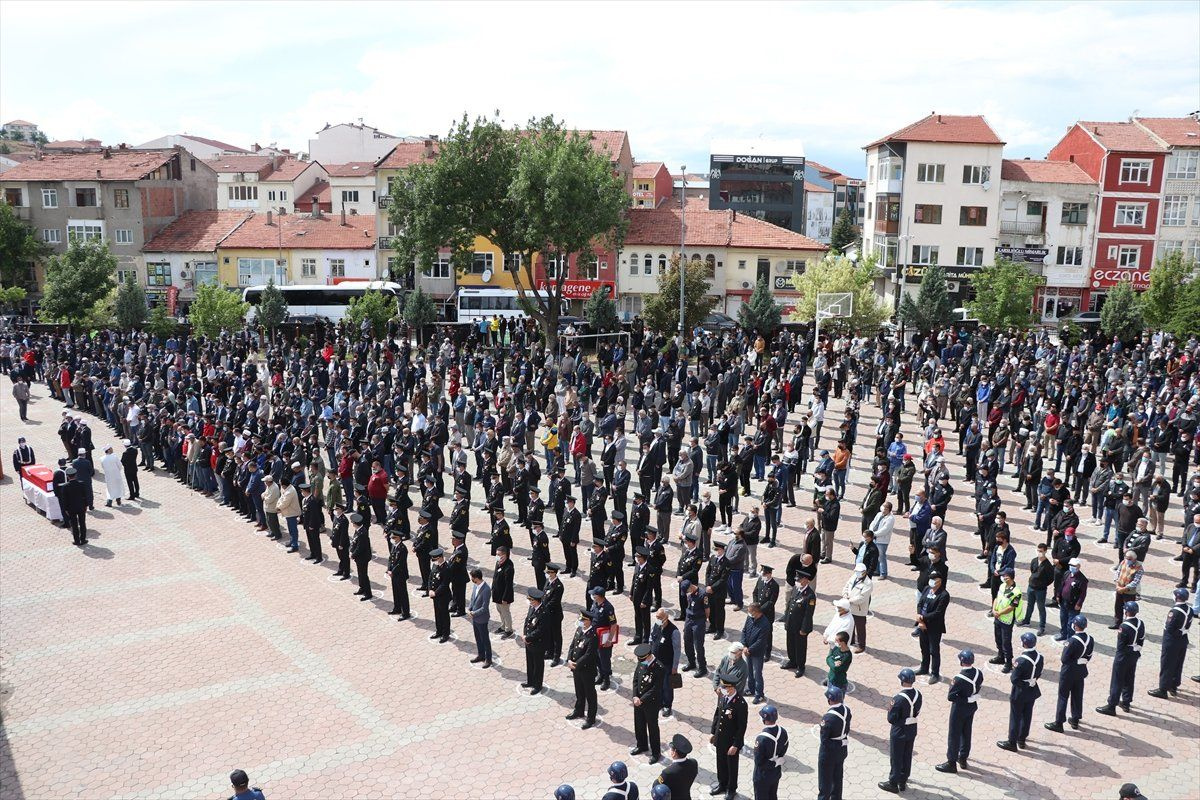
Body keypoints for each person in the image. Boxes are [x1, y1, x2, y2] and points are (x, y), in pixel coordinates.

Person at [936, 649, 983, 773]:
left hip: (959, 709)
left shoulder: (958, 679)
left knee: (954, 735)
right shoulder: (979, 673)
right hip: (971, 707)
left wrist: (966, 699)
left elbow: (951, 697)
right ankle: (963, 758)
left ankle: (951, 762)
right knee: (966, 732)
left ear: (961, 662)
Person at [1098, 600, 1146, 716]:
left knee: (1117, 680)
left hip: (1123, 656)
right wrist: (1135, 649)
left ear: (1126, 612)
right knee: (1129, 679)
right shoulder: (1141, 623)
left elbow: (1120, 646)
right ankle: (1126, 702)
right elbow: (1141, 640)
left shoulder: (1124, 626)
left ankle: (1111, 705)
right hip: (1134, 655)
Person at [1045, 614, 1093, 733]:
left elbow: (1064, 659)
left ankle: (1059, 722)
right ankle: (1075, 719)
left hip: (1069, 672)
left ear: (1075, 626)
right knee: (1077, 694)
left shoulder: (1071, 641)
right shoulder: (1090, 639)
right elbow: (1089, 655)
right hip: (1081, 670)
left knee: (1063, 696)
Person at [997, 631, 1043, 751]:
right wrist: (1031, 681)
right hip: (1032, 689)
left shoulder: (1021, 660)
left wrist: (1025, 683)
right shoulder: (1040, 657)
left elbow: (1014, 679)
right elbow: (1039, 672)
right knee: (1027, 715)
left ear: (1024, 644)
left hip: (1020, 692)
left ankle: (1012, 742)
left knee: (1015, 716)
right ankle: (1022, 739)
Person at [878, 668, 922, 794]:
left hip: (899, 730)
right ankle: (903, 780)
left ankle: (893, 783)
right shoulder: (918, 694)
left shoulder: (898, 698)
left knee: (896, 757)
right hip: (912, 729)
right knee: (907, 755)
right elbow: (917, 711)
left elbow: (891, 718)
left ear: (902, 681)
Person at [1149, 587, 1195, 699]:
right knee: (1178, 663)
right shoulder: (1190, 609)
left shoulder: (1174, 611)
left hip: (1172, 641)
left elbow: (1170, 628)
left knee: (1167, 664)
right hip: (1183, 639)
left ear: (1177, 597)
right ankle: (1173, 685)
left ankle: (1163, 689)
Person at [709, 672, 748, 800]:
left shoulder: (740, 703)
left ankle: (731, 789)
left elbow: (741, 727)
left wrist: (736, 745)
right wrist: (713, 732)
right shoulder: (722, 696)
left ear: (731, 688)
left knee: (731, 765)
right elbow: (717, 714)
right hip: (720, 738)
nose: (722, 689)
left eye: (725, 687)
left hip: (731, 741)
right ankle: (722, 784)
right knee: (720, 762)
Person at [630, 642, 664, 764]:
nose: (641, 661)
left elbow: (656, 688)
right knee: (639, 724)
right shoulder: (641, 662)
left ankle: (656, 753)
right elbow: (635, 680)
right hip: (638, 701)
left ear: (649, 655)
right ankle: (642, 745)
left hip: (651, 703)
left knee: (652, 728)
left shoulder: (659, 667)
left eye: (643, 659)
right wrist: (634, 696)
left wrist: (642, 699)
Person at [817, 685, 851, 800]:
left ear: (829, 700)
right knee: (837, 779)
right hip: (841, 750)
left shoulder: (828, 718)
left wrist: (838, 743)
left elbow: (825, 741)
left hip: (829, 754)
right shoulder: (847, 710)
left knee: (825, 783)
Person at [566, 610, 599, 728]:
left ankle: (591, 718)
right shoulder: (579, 629)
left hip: (586, 670)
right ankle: (579, 711)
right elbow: (572, 646)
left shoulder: (593, 635)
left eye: (583, 620)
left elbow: (589, 655)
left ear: (589, 621)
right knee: (579, 691)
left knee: (590, 694)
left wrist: (576, 664)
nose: (581, 621)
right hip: (576, 668)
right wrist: (569, 659)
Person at [781, 571, 816, 677]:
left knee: (800, 647)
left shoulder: (810, 596)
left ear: (805, 580)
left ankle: (800, 666)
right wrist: (786, 621)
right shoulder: (796, 589)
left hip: (800, 627)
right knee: (790, 644)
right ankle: (792, 661)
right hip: (791, 624)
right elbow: (789, 606)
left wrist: (804, 629)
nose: (797, 581)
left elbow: (808, 615)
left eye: (799, 580)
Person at [915, 573, 948, 682]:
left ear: (940, 581)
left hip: (934, 627)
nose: (932, 581)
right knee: (923, 647)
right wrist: (920, 617)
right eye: (931, 579)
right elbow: (920, 604)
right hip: (922, 624)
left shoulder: (944, 595)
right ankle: (924, 668)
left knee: (933, 650)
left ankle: (935, 673)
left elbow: (938, 613)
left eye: (935, 579)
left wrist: (922, 618)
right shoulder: (926, 589)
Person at [752, 704, 788, 800]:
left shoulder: (761, 738)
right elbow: (785, 745)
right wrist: (778, 759)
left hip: (762, 776)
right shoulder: (783, 732)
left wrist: (773, 763)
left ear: (764, 719)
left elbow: (759, 761)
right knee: (773, 796)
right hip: (775, 773)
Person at [990, 568, 1023, 673]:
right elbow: (996, 598)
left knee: (1006, 642)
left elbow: (1012, 606)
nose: (1004, 577)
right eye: (1003, 575)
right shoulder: (1002, 586)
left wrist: (1000, 613)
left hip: (1007, 620)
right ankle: (1000, 656)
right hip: (998, 617)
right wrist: (994, 609)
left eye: (1006, 576)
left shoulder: (1017, 592)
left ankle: (1008, 663)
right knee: (998, 638)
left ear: (1011, 577)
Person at [650, 608, 681, 717]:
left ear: (666, 618)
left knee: (667, 686)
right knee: (657, 684)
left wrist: (675, 666)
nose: (657, 619)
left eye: (660, 618)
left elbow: (677, 651)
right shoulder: (656, 626)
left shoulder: (674, 631)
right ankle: (660, 702)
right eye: (657, 617)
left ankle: (667, 705)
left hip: (667, 664)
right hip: (655, 662)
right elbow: (651, 640)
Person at [655, 734, 698, 800]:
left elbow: (656, 787)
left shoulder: (668, 772)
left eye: (671, 749)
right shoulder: (693, 763)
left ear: (674, 752)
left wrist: (671, 767)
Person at [842, 564, 873, 652]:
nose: (857, 573)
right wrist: (845, 595)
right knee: (850, 624)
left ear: (864, 572)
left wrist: (850, 600)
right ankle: (851, 640)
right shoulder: (854, 577)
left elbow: (862, 598)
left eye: (859, 572)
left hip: (859, 609)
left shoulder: (868, 583)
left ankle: (861, 646)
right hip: (849, 607)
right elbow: (847, 586)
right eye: (856, 571)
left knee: (860, 628)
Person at [522, 587, 547, 694]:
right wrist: (525, 635)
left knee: (538, 665)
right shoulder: (532, 607)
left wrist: (528, 638)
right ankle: (530, 681)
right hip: (529, 642)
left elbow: (540, 630)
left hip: (538, 643)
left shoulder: (544, 612)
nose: (529, 602)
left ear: (536, 601)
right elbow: (527, 621)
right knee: (530, 662)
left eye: (531, 600)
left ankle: (537, 685)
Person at [682, 580, 709, 678]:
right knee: (687, 641)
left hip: (698, 621)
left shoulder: (703, 594)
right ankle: (691, 662)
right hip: (689, 619)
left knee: (698, 645)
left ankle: (702, 668)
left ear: (691, 587)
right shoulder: (690, 594)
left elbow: (707, 610)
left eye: (687, 591)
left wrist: (705, 620)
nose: (687, 593)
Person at [467, 568, 492, 668]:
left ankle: (488, 659)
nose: (471, 580)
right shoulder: (475, 586)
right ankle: (481, 655)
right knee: (478, 638)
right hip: (475, 618)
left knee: (485, 639)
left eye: (472, 578)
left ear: (476, 578)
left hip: (482, 619)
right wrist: (469, 608)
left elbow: (484, 608)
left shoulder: (486, 589)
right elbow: (473, 598)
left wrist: (474, 613)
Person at [386, 530, 411, 619]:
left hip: (400, 574)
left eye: (393, 537)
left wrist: (392, 571)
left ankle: (405, 613)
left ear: (399, 538)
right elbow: (390, 558)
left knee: (402, 593)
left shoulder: (403, 549)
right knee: (395, 592)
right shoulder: (394, 546)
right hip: (393, 574)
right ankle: (397, 608)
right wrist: (388, 569)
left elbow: (400, 563)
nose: (391, 539)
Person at [493, 546, 516, 639]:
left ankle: (508, 629)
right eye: (497, 554)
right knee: (500, 611)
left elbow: (508, 585)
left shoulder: (509, 567)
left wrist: (505, 598)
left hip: (504, 596)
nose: (497, 556)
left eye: (499, 554)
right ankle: (503, 626)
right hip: (497, 594)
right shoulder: (498, 563)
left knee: (505, 612)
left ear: (505, 555)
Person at [348, 512, 372, 599]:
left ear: (355, 524)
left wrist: (353, 555)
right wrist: (351, 550)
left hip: (363, 557)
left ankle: (368, 593)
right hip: (359, 557)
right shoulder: (358, 530)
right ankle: (362, 588)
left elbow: (360, 547)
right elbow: (354, 542)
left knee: (364, 575)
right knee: (360, 574)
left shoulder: (362, 533)